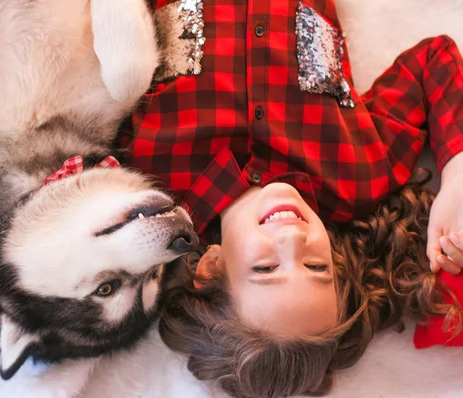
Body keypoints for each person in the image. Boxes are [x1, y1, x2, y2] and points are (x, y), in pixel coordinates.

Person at [117, 0, 463, 397]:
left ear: (211, 266)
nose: (293, 240)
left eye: (265, 268)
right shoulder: (357, 176)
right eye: (317, 266)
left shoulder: (147, 181)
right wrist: (456, 176)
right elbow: (433, 60)